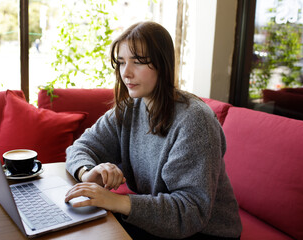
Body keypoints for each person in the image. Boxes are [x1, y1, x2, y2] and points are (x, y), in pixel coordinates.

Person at [65, 21, 242, 239]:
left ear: (162, 64)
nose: (126, 73)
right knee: (82, 226)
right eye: (121, 62)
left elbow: (191, 212)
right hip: (161, 222)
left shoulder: (195, 121)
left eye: (137, 62)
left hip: (205, 232)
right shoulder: (129, 109)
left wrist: (117, 201)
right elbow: (80, 147)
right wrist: (88, 173)